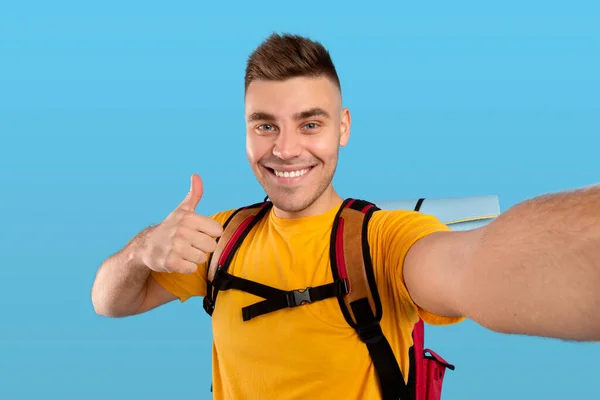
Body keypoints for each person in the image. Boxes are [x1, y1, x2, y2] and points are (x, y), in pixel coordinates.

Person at [91, 33, 600, 399]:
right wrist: (143, 249)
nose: (286, 149)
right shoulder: (221, 236)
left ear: (343, 128)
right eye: (265, 126)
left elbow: (478, 267)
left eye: (310, 123)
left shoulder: (383, 239)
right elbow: (108, 301)